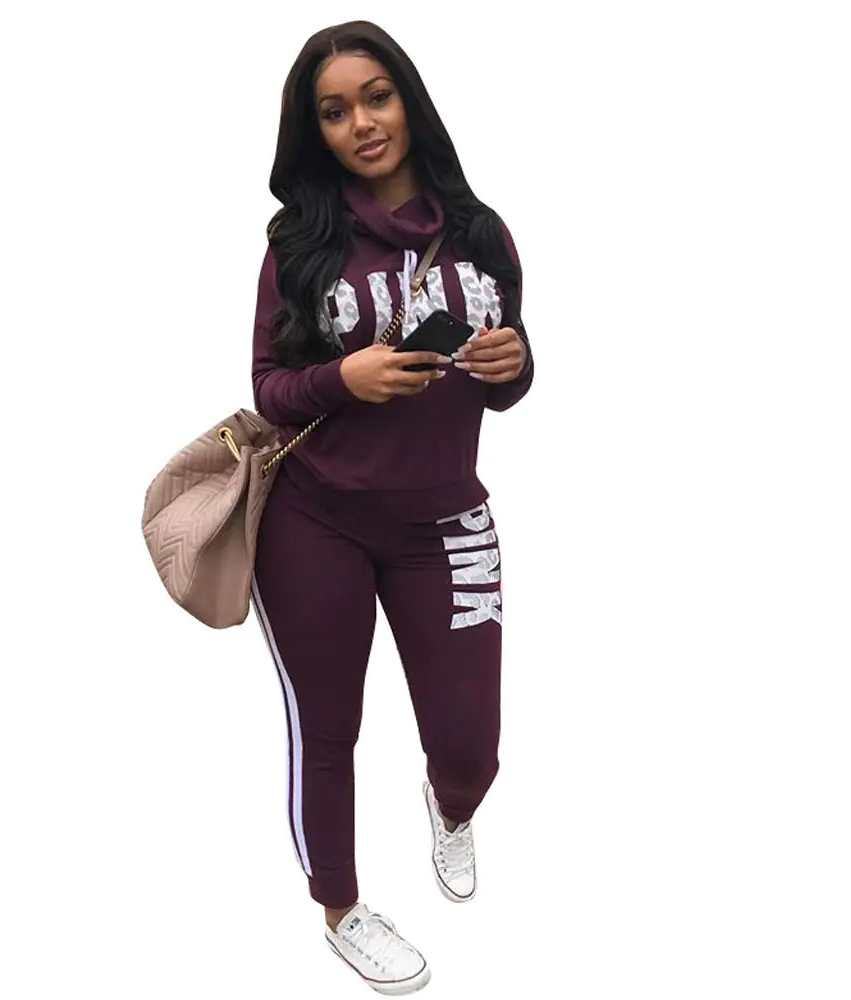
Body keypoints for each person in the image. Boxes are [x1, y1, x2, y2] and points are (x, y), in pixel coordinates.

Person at [248, 20, 534, 995]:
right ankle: (341, 909)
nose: (362, 123)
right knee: (327, 728)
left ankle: (450, 807)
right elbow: (267, 389)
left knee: (470, 745)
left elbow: (504, 383)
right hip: (315, 521)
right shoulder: (299, 244)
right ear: (315, 131)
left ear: (408, 99)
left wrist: (514, 363)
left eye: (376, 96)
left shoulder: (482, 232)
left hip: (446, 521)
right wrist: (345, 376)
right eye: (334, 112)